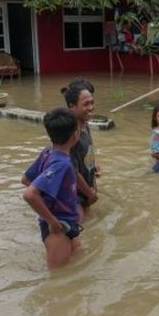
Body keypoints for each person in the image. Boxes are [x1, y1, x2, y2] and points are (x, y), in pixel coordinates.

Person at [22, 108, 82, 269]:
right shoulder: (61, 164)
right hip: (58, 228)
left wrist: (49, 195)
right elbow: (29, 194)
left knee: (81, 259)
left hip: (68, 224)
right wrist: (53, 222)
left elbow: (26, 179)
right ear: (74, 135)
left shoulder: (48, 152)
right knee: (59, 280)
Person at [61, 78, 99, 222]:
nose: (91, 107)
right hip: (72, 194)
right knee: (80, 232)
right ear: (72, 106)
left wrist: (93, 167)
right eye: (86, 104)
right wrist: (90, 194)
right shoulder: (71, 135)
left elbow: (86, 154)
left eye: (92, 102)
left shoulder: (85, 124)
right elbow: (72, 172)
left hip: (84, 190)